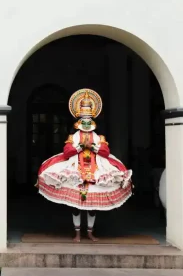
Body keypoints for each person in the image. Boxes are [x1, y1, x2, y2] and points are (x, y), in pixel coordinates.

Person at [36, 88, 132, 242]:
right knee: (76, 206)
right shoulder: (73, 136)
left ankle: (90, 232)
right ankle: (78, 234)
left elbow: (105, 151)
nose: (86, 124)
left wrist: (92, 147)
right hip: (75, 171)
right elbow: (67, 151)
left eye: (89, 121)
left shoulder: (98, 136)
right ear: (79, 121)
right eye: (84, 121)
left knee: (93, 207)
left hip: (97, 170)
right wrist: (81, 146)